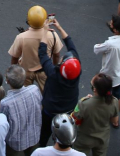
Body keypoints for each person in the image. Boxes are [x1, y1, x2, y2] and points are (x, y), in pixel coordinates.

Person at [38, 18, 81, 147]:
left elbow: (42, 54)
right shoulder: (76, 70)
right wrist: (60, 28)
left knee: (44, 131)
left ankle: (42, 145)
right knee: (66, 129)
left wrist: (45, 31)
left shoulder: (52, 73)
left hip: (49, 110)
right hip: (68, 109)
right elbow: (71, 45)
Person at [10, 6, 64, 91]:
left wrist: (14, 70)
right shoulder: (53, 35)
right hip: (44, 70)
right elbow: (56, 55)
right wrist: (53, 68)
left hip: (26, 71)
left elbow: (14, 57)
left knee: (25, 94)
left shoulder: (21, 37)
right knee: (46, 94)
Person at [72, 73, 119, 156]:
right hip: (102, 139)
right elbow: (114, 120)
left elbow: (75, 119)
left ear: (95, 89)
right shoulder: (114, 101)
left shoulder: (84, 104)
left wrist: (84, 99)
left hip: (85, 139)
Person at [0, 65, 43, 156]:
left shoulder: (6, 103)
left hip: (16, 144)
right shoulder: (34, 90)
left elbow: (2, 124)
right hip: (34, 136)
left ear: (7, 81)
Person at [94, 15, 120, 115]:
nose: (110, 23)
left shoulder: (110, 44)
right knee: (117, 97)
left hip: (107, 76)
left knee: (100, 96)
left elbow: (96, 49)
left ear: (115, 30)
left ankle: (101, 115)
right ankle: (115, 118)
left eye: (112, 23)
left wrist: (100, 44)